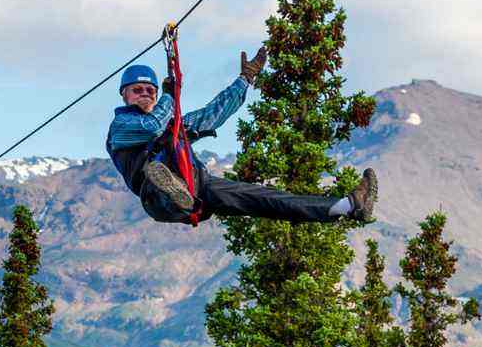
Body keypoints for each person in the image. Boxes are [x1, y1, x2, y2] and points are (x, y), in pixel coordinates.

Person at [106, 42, 378, 225]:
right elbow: (151, 126)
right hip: (156, 198)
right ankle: (174, 192)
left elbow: (213, 114)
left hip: (200, 187)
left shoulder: (173, 127)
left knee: (266, 199)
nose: (144, 94)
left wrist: (245, 79)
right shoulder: (121, 128)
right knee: (156, 172)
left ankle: (347, 206)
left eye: (149, 90)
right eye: (137, 90)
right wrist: (167, 95)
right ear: (124, 95)